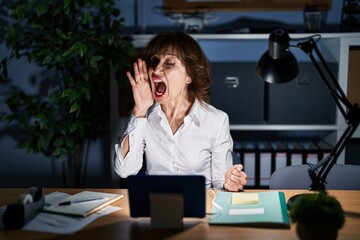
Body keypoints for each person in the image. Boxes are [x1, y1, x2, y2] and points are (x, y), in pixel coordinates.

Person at [114, 31, 247, 191]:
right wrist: (140, 109)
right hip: (157, 206)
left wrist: (230, 182)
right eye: (154, 61)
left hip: (201, 207)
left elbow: (219, 183)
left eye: (169, 63)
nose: (156, 70)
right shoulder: (144, 117)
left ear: (189, 75)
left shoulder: (216, 120)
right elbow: (124, 170)